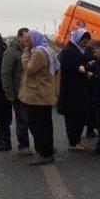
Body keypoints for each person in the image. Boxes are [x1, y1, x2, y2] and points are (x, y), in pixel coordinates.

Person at [19, 30, 59, 166]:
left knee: (38, 125)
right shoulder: (48, 50)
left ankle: (45, 153)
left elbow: (29, 69)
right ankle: (47, 151)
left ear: (34, 39)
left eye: (28, 40)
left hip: (37, 95)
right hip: (44, 93)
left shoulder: (38, 53)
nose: (27, 43)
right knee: (45, 124)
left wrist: (24, 55)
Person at [57, 29, 92, 152]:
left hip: (77, 89)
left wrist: (85, 67)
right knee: (73, 118)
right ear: (78, 39)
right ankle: (73, 142)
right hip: (71, 91)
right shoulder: (68, 51)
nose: (85, 44)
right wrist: (85, 67)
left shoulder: (76, 49)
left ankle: (76, 140)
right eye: (83, 41)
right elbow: (73, 68)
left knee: (79, 116)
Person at [1, 27, 33, 155]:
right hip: (17, 91)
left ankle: (43, 145)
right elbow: (5, 73)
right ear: (19, 37)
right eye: (25, 38)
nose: (27, 40)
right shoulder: (11, 52)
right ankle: (23, 146)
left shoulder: (31, 50)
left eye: (29, 38)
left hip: (30, 90)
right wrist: (8, 91)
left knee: (33, 118)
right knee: (22, 119)